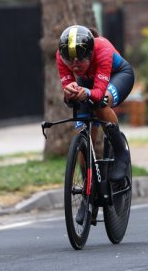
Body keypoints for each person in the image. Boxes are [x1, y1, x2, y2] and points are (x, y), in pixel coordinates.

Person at [56, 25, 135, 182]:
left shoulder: (102, 50)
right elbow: (69, 92)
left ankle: (121, 152)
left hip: (118, 76)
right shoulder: (60, 55)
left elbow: (98, 94)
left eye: (80, 59)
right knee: (83, 135)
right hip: (89, 81)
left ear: (90, 53)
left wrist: (86, 93)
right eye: (70, 61)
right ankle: (88, 189)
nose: (75, 65)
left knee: (100, 103)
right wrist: (69, 92)